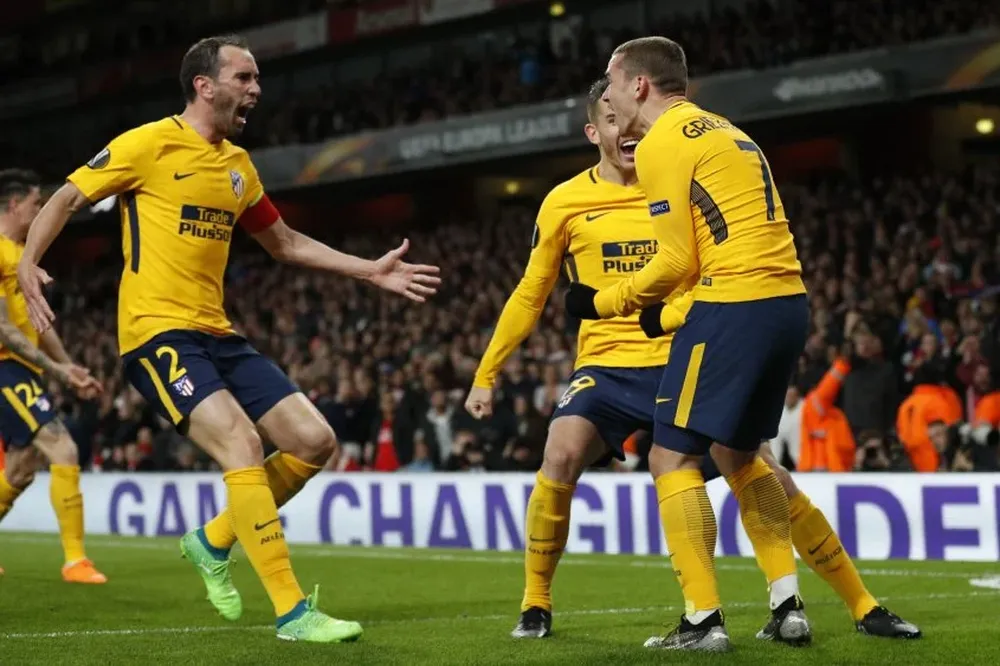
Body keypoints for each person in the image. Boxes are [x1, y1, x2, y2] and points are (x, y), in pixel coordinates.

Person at [17, 35, 440, 643]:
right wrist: (29, 262)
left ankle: (213, 540)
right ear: (204, 85)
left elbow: (284, 243)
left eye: (256, 78)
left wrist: (369, 270)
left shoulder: (239, 166)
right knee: (241, 444)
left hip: (218, 332)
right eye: (244, 77)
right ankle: (293, 613)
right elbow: (65, 198)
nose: (256, 89)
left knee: (314, 441)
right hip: (156, 333)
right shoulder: (147, 143)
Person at [469, 81, 920, 645]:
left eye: (626, 116)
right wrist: (486, 374)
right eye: (611, 121)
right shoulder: (564, 201)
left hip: (683, 352)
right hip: (607, 368)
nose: (625, 129)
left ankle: (850, 602)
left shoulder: (674, 173)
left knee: (758, 468)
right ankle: (536, 602)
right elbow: (530, 293)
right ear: (594, 132)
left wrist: (665, 313)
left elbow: (710, 267)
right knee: (559, 454)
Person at [564, 36, 808, 651]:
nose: (609, 95)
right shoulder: (727, 130)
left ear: (639, 85)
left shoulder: (661, 142)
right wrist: (667, 315)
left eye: (612, 82)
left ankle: (702, 620)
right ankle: (787, 606)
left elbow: (676, 260)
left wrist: (604, 303)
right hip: (786, 304)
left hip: (733, 305)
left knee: (669, 458)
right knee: (743, 456)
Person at [0, 168, 107, 585]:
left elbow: (38, 323)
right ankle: (75, 561)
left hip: (24, 368)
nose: (40, 210)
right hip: (5, 367)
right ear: (13, 205)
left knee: (21, 470)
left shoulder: (21, 257)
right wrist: (58, 370)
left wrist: (69, 368)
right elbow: (4, 329)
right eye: (35, 203)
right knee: (62, 447)